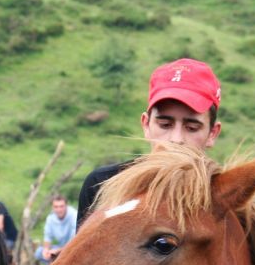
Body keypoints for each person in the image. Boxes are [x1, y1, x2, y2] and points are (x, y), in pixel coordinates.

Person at [77, 58, 222, 227]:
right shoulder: (102, 184)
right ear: (146, 124)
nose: (176, 139)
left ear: (212, 133)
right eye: (165, 125)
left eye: (191, 127)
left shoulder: (225, 198)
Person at [35, 195, 77, 264]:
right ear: (52, 207)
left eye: (61, 206)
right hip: (60, 248)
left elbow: (74, 241)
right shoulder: (50, 218)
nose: (59, 210)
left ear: (66, 206)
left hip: (72, 248)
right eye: (56, 207)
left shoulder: (74, 215)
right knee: (39, 252)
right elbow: (47, 237)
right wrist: (46, 250)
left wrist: (58, 250)